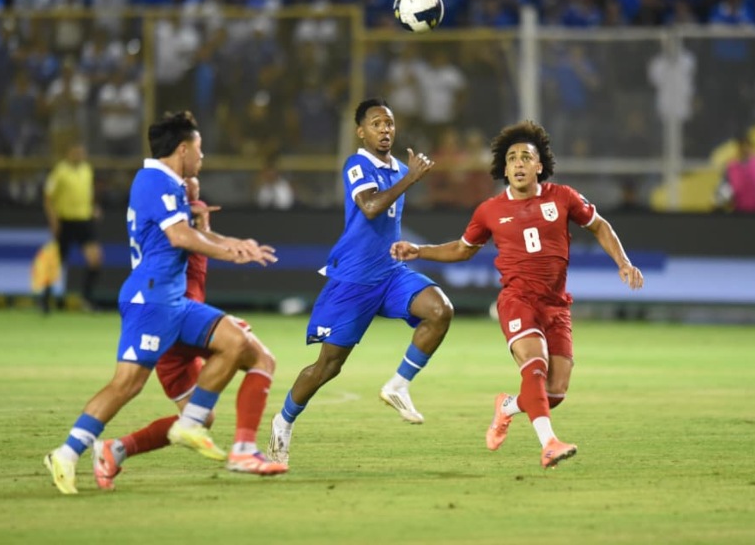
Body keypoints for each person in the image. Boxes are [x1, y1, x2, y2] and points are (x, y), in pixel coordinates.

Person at [44, 111, 285, 495]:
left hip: (173, 298)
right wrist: (229, 250)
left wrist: (233, 245)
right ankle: (68, 452)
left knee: (238, 343)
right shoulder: (154, 180)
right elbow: (180, 237)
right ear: (183, 148)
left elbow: (189, 233)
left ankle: (200, 428)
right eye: (200, 150)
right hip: (151, 299)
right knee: (126, 385)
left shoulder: (168, 184)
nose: (202, 158)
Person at [390, 120, 644, 469]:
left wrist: (623, 262)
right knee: (534, 365)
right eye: (512, 158)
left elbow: (600, 225)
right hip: (517, 300)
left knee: (554, 392)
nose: (519, 163)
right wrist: (419, 251)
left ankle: (507, 406)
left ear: (539, 166)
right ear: (504, 168)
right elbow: (463, 250)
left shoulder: (564, 197)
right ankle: (549, 443)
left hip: (556, 305)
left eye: (527, 157)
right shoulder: (490, 210)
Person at [267, 97, 454, 465]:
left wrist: (407, 177)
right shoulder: (357, 164)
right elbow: (370, 207)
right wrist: (410, 179)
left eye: (389, 124)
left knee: (440, 309)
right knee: (328, 366)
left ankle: (398, 384)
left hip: (390, 273)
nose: (384, 130)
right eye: (376, 124)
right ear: (361, 131)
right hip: (353, 280)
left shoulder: (399, 167)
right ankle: (283, 420)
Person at [91, 176, 286, 490]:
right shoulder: (183, 234)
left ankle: (115, 450)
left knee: (199, 418)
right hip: (179, 325)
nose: (204, 217)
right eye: (198, 212)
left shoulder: (178, 229)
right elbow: (200, 239)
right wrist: (231, 246)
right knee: (259, 357)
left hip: (174, 333)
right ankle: (244, 449)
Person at [42, 143, 103, 312]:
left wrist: (93, 208)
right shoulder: (59, 171)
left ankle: (86, 298)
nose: (79, 155)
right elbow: (48, 198)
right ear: (69, 153)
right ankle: (45, 299)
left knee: (95, 260)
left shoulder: (87, 170)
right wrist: (54, 221)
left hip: (84, 221)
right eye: (76, 152)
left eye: (82, 152)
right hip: (66, 221)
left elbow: (88, 194)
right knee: (58, 262)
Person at [714, 134, 755, 212]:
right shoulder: (732, 167)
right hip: (741, 212)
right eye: (741, 146)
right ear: (738, 148)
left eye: (747, 146)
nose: (744, 149)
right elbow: (724, 187)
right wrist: (719, 201)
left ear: (751, 147)